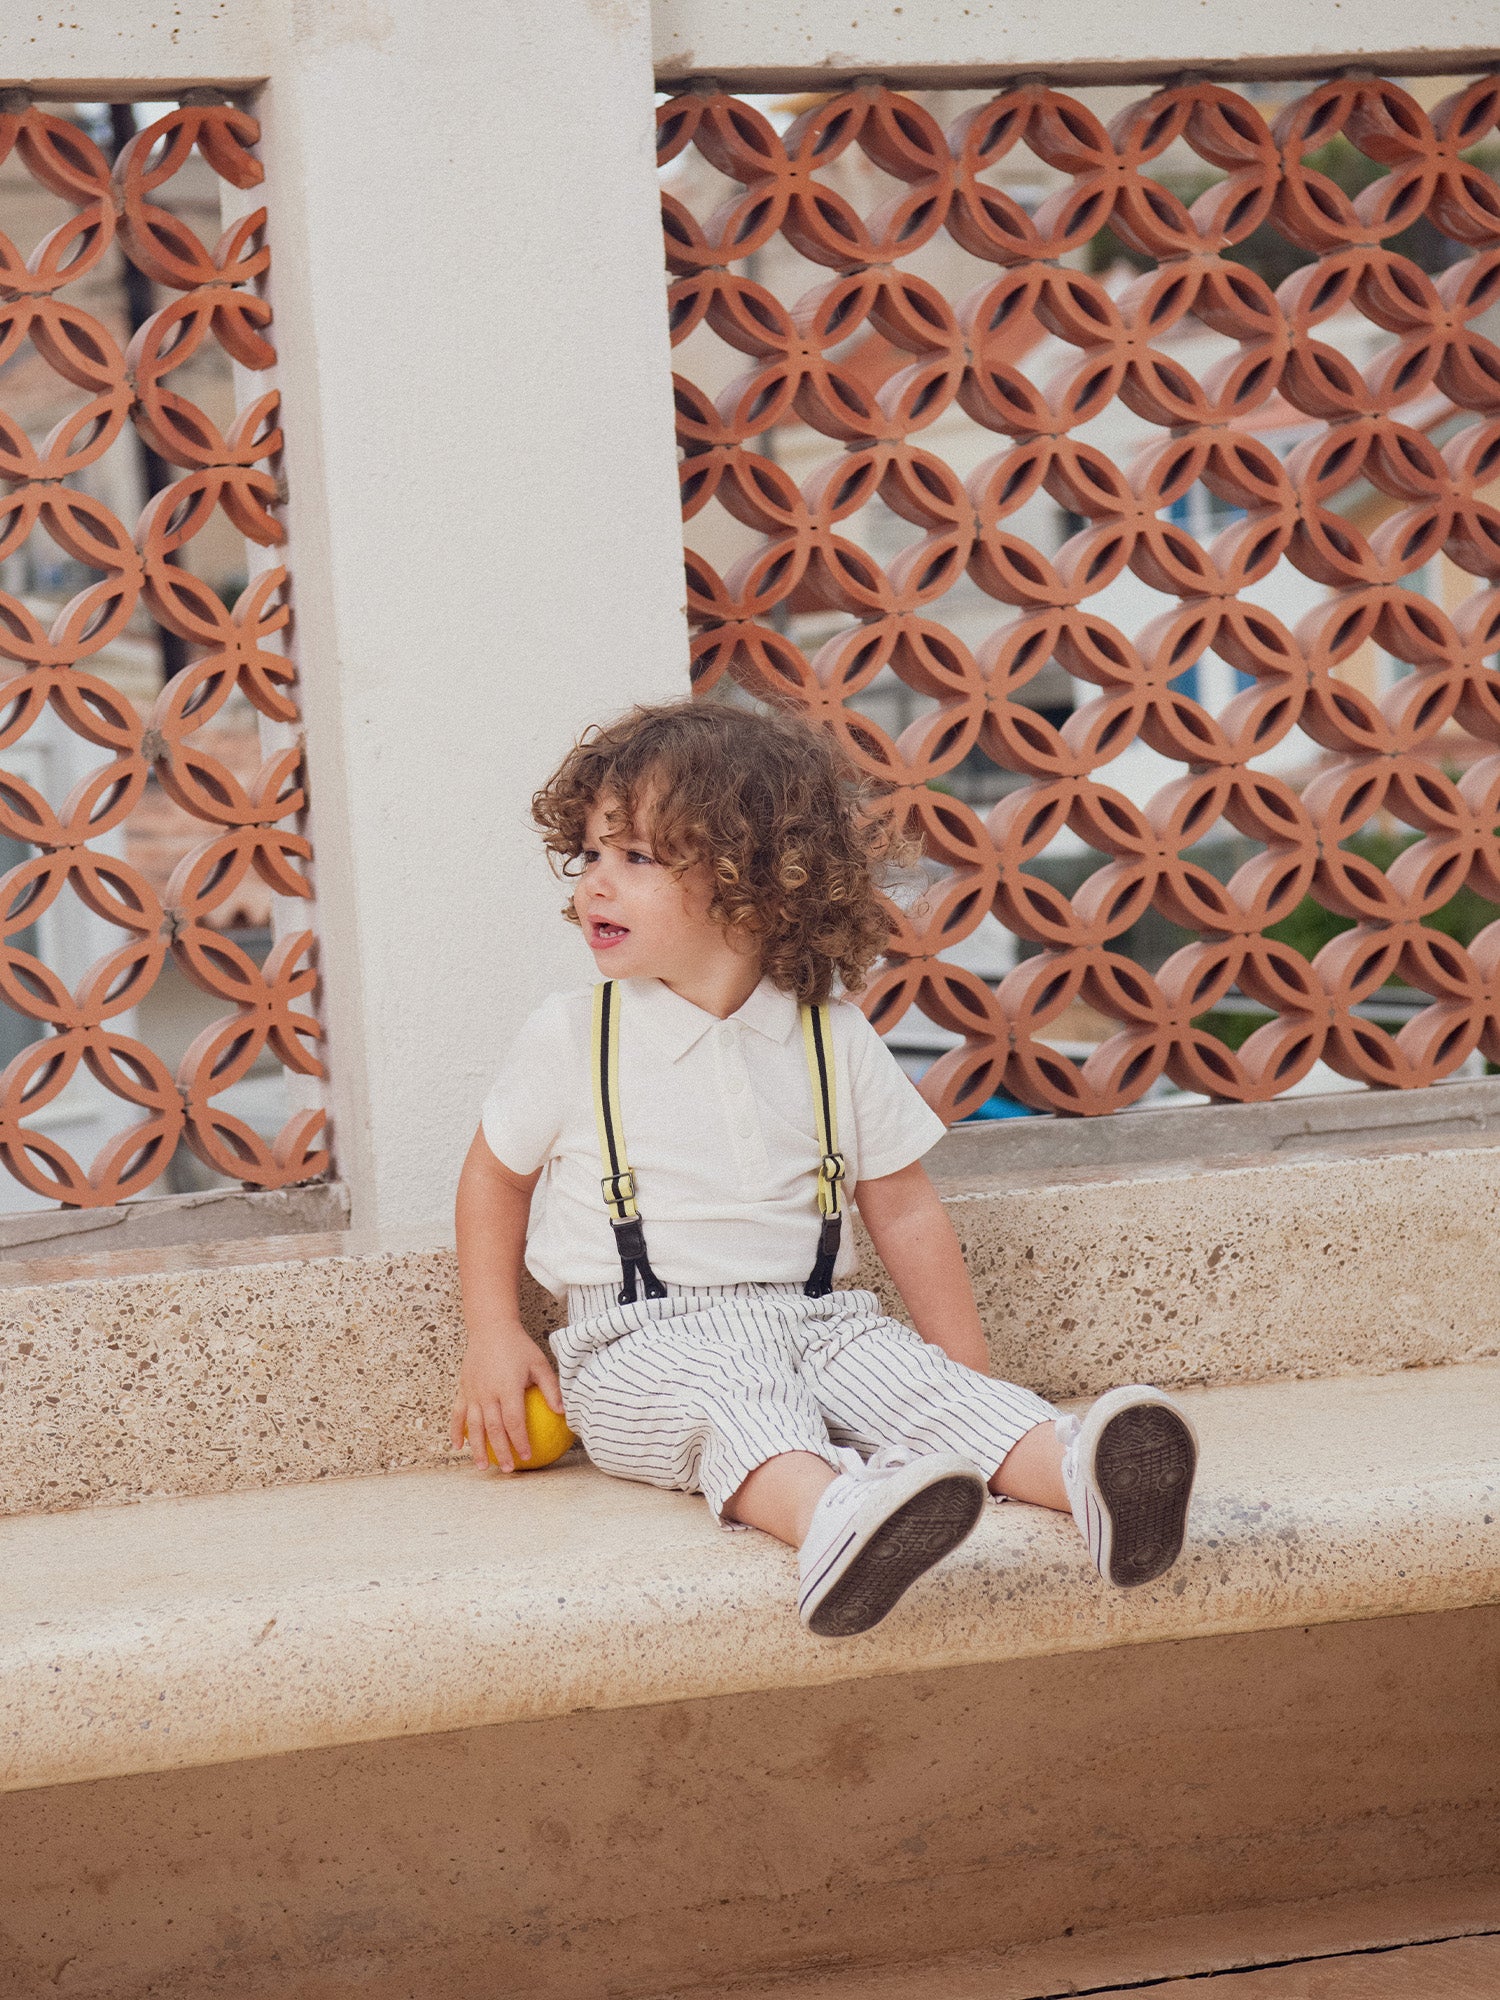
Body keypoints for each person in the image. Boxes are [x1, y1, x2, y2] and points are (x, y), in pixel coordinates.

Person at [450, 698, 1197, 1638]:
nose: (595, 882)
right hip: (640, 1342)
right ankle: (834, 1519)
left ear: (755, 886)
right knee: (737, 1399)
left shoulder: (829, 1035)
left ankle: (1089, 1475)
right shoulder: (574, 1035)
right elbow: (496, 1179)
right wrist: (492, 1330)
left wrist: (964, 1377)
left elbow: (904, 1208)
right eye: (592, 853)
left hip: (821, 1320)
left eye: (635, 857)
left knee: (919, 1389)